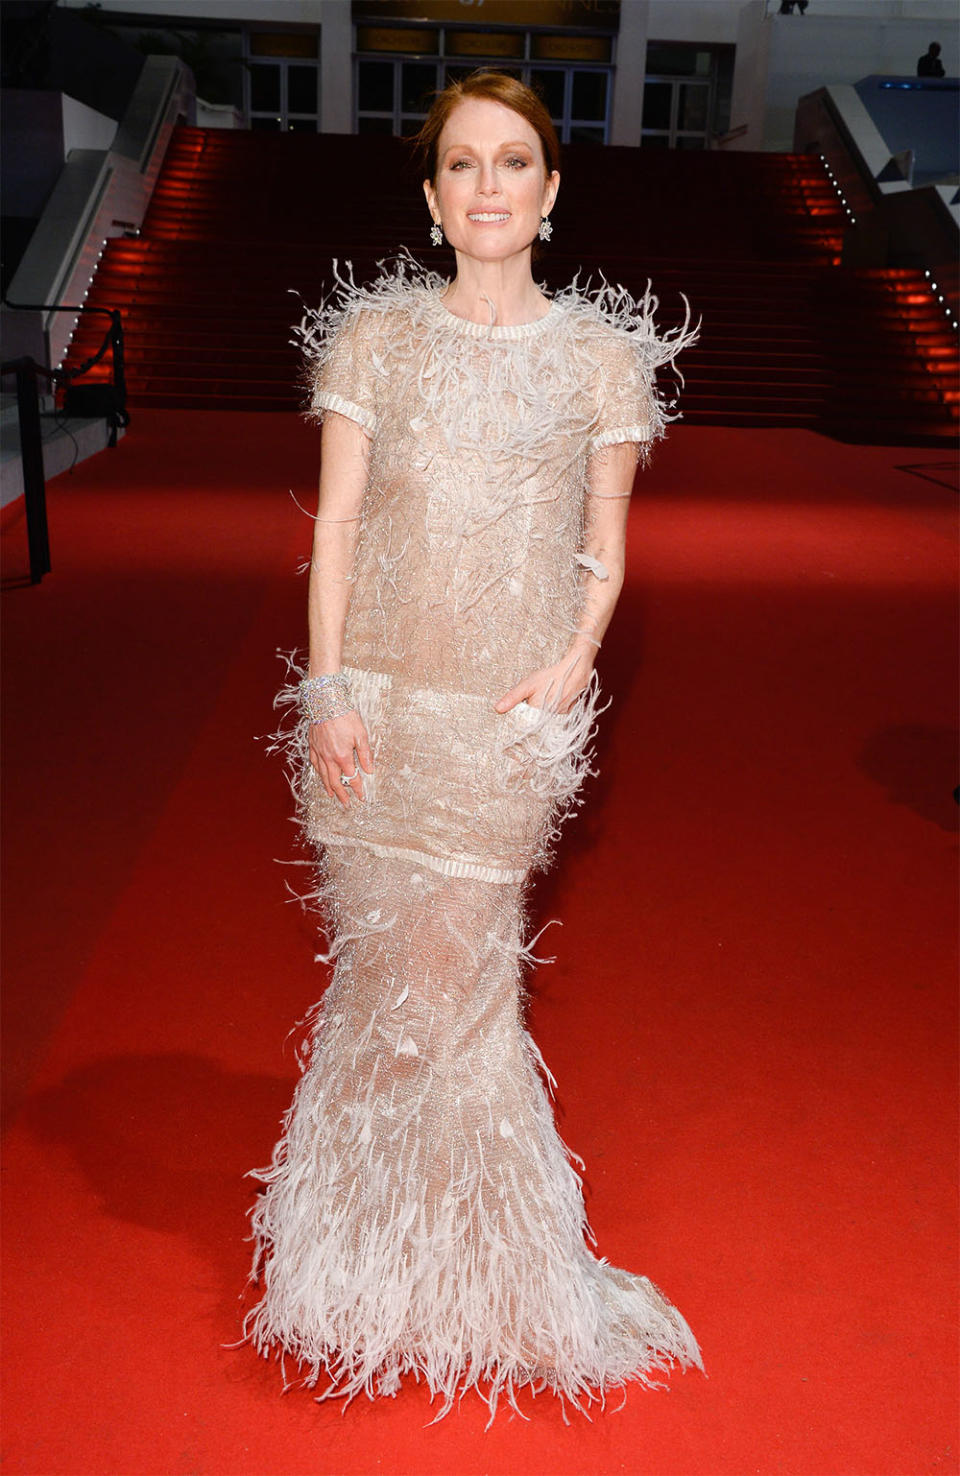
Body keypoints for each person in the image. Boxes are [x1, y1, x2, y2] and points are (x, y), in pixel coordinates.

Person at [245, 69, 702, 1421]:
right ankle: (361, 1270)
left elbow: (602, 556)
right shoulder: (373, 341)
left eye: (514, 162)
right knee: (383, 994)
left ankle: (495, 1275)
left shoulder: (600, 359)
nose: (488, 185)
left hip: (501, 733)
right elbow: (332, 532)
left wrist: (565, 672)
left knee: (465, 1004)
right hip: (375, 715)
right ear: (432, 195)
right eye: (463, 164)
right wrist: (327, 692)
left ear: (552, 195)